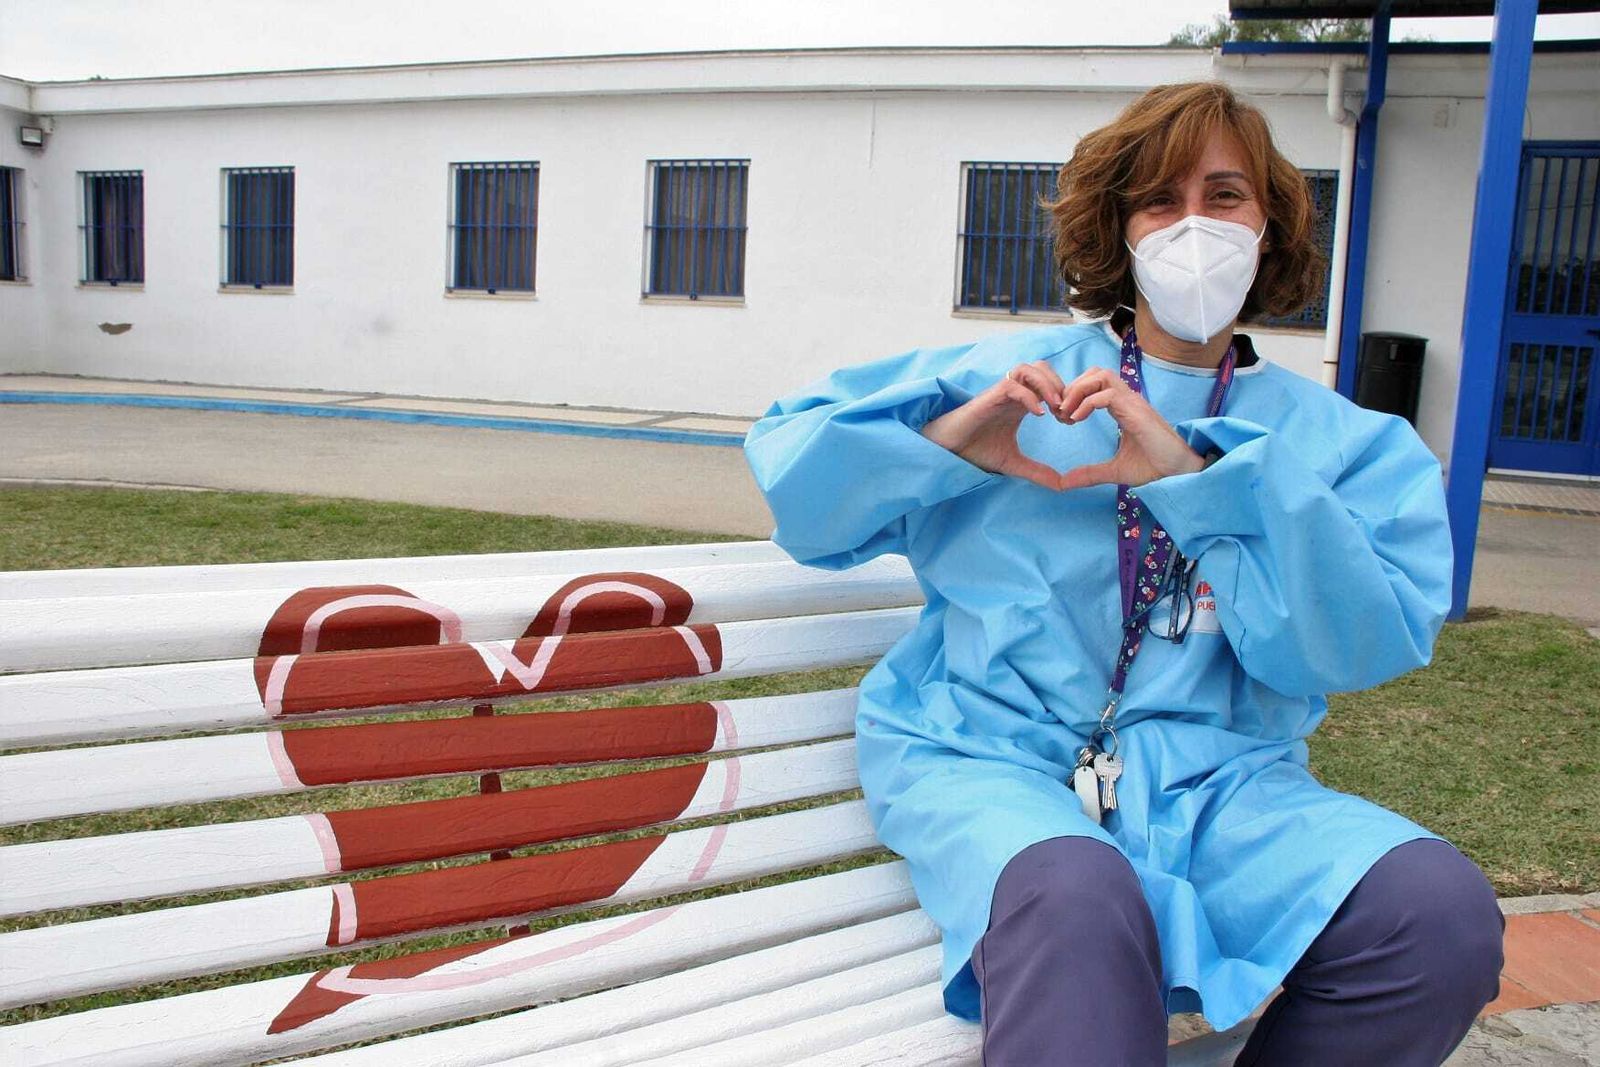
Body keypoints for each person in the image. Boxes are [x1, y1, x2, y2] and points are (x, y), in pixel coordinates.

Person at [743, 81, 1507, 1065]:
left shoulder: (1350, 446)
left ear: (1270, 225)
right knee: (1074, 898)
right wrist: (945, 440)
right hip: (991, 761)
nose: (1194, 226)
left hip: (1223, 787)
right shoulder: (1015, 382)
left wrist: (1203, 483)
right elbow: (799, 491)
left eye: (1225, 195)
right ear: (1119, 230)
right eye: (1159, 200)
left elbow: (1354, 643)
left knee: (1434, 913)